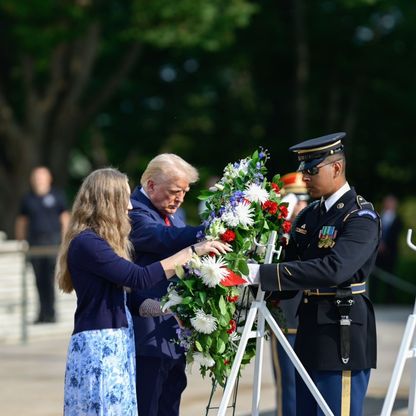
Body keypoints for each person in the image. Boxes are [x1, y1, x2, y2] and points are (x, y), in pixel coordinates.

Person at [56, 167, 229, 416]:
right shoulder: (87, 243)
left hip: (115, 343)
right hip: (99, 346)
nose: (129, 206)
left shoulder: (101, 242)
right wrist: (192, 252)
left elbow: (131, 299)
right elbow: (139, 277)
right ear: (107, 202)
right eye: (124, 199)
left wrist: (168, 308)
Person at [253, 132, 380, 416]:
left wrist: (264, 274)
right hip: (309, 330)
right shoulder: (309, 216)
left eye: (311, 170)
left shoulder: (360, 217)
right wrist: (246, 282)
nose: (304, 178)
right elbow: (288, 273)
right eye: (303, 170)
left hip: (341, 332)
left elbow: (334, 269)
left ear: (336, 167)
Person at [128, 154, 205, 416]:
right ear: (151, 185)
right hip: (147, 337)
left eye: (184, 191)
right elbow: (163, 238)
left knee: (170, 407)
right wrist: (207, 233)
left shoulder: (173, 215)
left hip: (173, 335)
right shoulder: (134, 212)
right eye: (174, 191)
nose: (180, 198)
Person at [271, 171, 309, 416]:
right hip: (287, 317)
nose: (302, 205)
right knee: (289, 386)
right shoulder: (277, 233)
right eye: (296, 199)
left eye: (304, 199)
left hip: (310, 315)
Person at [15, 166, 70, 323]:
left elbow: (65, 219)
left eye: (41, 177)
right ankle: (41, 313)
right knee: (38, 280)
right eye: (36, 178)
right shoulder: (27, 199)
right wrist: (21, 241)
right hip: (35, 245)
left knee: (50, 278)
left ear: (48, 179)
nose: (38, 181)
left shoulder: (57, 196)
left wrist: (64, 240)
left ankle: (51, 313)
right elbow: (22, 221)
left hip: (52, 244)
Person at [373, 194, 403, 303]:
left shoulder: (398, 219)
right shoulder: (378, 216)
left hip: (390, 252)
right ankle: (374, 299)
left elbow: (395, 235)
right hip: (377, 252)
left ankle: (389, 299)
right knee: (376, 278)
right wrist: (378, 244)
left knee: (390, 276)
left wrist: (386, 245)